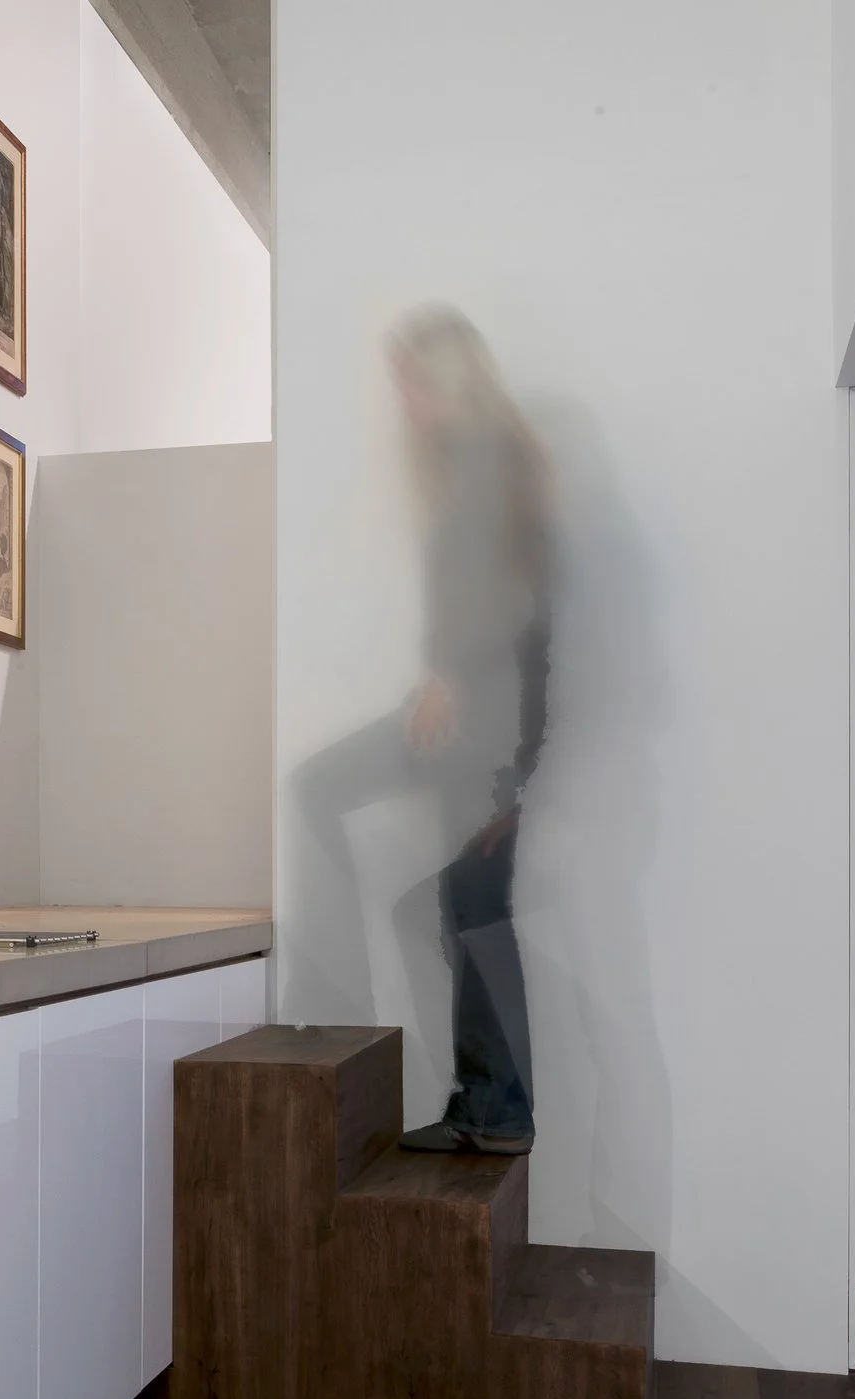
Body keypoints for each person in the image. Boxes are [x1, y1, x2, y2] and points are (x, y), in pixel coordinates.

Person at [387, 307, 550, 1157]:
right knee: (467, 908)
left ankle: (497, 1107)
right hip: (490, 729)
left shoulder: (488, 460)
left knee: (472, 908)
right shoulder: (482, 463)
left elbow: (516, 603)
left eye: (412, 380)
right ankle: (488, 1104)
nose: (403, 400)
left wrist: (450, 673)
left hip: (490, 729)